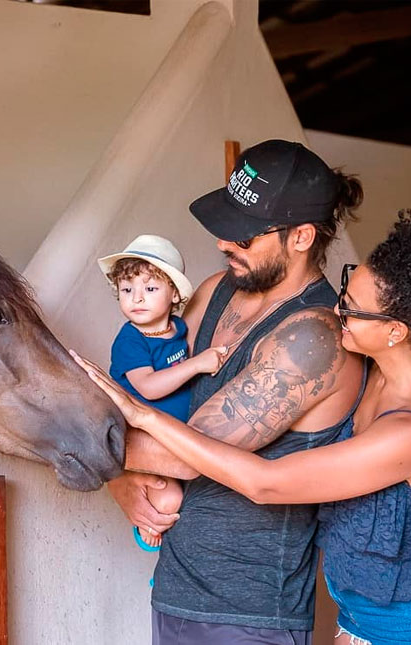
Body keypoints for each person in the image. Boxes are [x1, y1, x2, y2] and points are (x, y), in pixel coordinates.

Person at [80, 202, 411, 645]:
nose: (336, 309)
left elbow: (265, 483)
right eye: (346, 286)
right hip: (358, 618)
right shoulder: (377, 371)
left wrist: (143, 418)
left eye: (352, 309)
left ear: (396, 330)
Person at [96, 139, 365, 644]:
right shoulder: (219, 288)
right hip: (177, 585)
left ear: (302, 236)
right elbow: (148, 403)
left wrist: (78, 447)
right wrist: (120, 484)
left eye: (243, 235)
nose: (224, 243)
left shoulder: (312, 338)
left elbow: (185, 455)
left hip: (247, 614)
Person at [98, 234, 226, 547]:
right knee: (169, 501)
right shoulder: (130, 340)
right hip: (147, 441)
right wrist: (196, 365)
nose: (136, 299)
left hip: (177, 435)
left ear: (174, 294)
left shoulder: (177, 328)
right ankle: (146, 529)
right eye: (127, 290)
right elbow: (149, 387)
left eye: (150, 289)